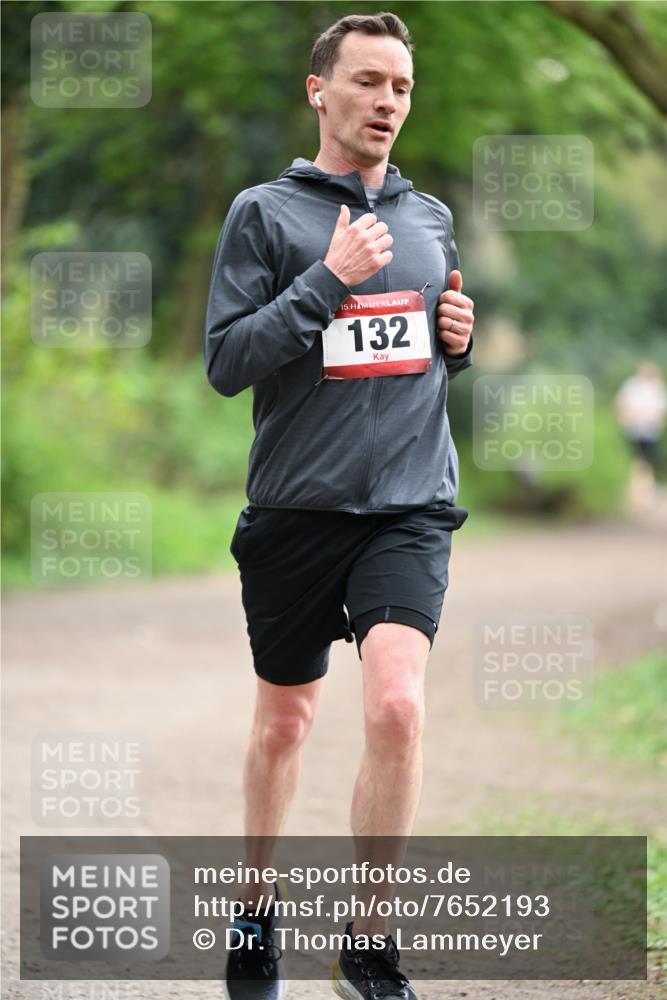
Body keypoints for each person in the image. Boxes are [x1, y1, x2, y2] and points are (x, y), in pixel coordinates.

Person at [205, 12, 475, 1000]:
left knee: (398, 705)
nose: (386, 102)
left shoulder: (429, 217)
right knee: (285, 723)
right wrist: (327, 278)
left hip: (408, 506)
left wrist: (457, 340)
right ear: (320, 91)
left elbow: (415, 352)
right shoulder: (264, 214)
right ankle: (254, 909)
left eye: (399, 87)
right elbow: (228, 362)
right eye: (367, 82)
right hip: (295, 510)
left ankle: (368, 943)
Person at [614, 362, 666, 511]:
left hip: (650, 431)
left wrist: (657, 421)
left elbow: (661, 410)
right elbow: (621, 403)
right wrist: (625, 417)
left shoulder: (657, 387)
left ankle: (644, 493)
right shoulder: (632, 385)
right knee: (635, 460)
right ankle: (636, 493)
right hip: (633, 429)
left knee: (646, 461)